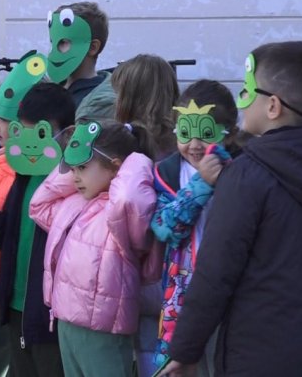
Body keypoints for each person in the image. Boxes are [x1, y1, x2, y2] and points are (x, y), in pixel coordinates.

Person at [159, 41, 302, 377]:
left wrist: (185, 350)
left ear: (273, 106)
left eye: (247, 91)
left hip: (253, 350)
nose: (241, 102)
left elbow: (216, 270)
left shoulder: (245, 174)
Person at [28, 120, 158, 376]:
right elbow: (39, 204)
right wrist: (77, 165)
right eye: (72, 168)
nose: (75, 176)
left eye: (83, 167)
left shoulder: (121, 215)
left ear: (117, 167)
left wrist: (136, 161)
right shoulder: (74, 202)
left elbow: (128, 197)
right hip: (66, 323)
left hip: (103, 332)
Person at [0, 82, 76, 377]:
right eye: (24, 133)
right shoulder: (23, 174)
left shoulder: (74, 182)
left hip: (52, 313)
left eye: (40, 134)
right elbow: (10, 237)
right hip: (17, 305)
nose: (31, 144)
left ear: (67, 135)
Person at [150, 80, 241, 375]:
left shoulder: (243, 170)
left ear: (229, 134)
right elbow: (164, 227)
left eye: (206, 134)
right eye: (186, 133)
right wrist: (200, 185)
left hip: (232, 291)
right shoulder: (167, 173)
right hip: (182, 290)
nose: (194, 145)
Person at [0, 50, 45, 377]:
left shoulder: (20, 171)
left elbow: (9, 240)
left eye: (2, 120)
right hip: (2, 290)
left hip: (19, 294)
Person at [108, 53, 179, 376]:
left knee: (145, 351)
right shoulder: (185, 145)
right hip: (178, 274)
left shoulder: (125, 147)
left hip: (139, 272)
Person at [45, 1, 115, 112]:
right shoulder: (51, 91)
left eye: (63, 42)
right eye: (52, 42)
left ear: (92, 48)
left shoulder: (100, 102)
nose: (54, 50)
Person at [112, 54, 180, 160]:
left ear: (129, 98)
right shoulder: (185, 139)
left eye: (117, 92)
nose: (114, 99)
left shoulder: (122, 143)